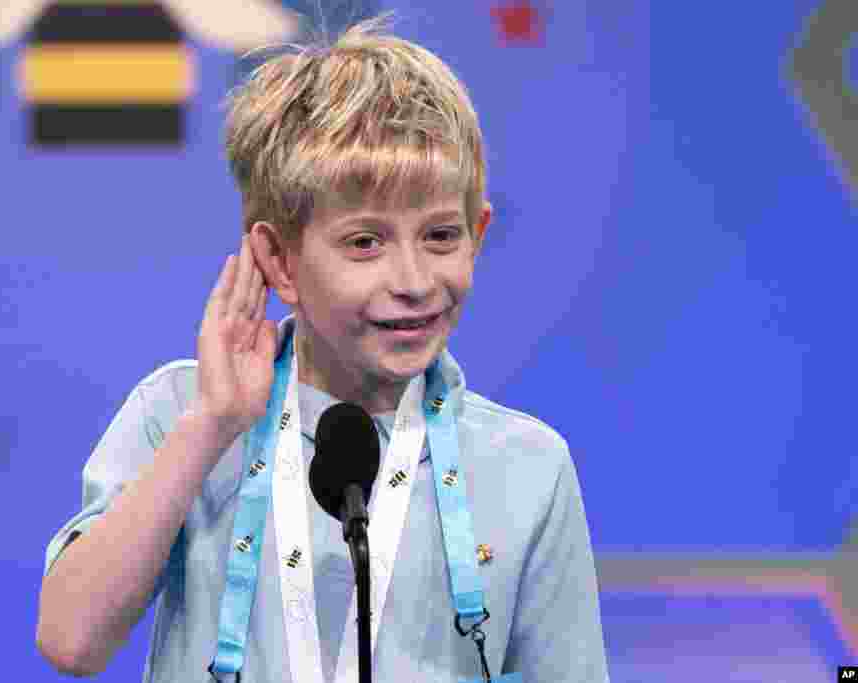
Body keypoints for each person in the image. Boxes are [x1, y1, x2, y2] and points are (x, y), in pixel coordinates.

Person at [36, 11, 609, 683]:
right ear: (279, 261)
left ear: (478, 234)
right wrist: (214, 425)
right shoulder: (182, 412)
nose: (414, 282)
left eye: (441, 236)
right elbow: (71, 639)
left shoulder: (529, 467)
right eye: (365, 242)